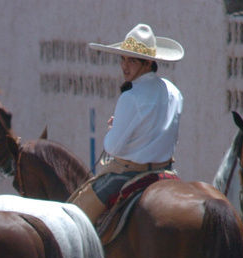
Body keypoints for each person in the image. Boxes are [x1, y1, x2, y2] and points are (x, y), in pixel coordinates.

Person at [69, 24, 184, 224]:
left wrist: (114, 129)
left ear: (148, 63)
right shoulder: (174, 91)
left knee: (75, 220)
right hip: (166, 172)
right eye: (122, 58)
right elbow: (159, 130)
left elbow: (113, 147)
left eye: (132, 60)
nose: (124, 66)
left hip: (130, 174)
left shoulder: (131, 97)